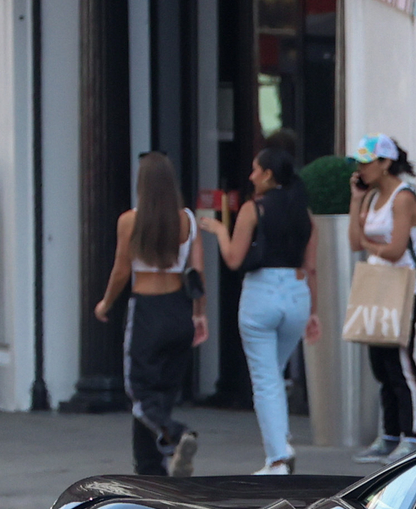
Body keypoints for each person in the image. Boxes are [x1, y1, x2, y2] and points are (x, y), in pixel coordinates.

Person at [96, 152, 208, 477]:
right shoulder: (186, 219)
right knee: (163, 394)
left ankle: (176, 432)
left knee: (140, 393)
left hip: (146, 311)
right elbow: (197, 273)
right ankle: (150, 467)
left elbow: (121, 271)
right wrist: (200, 316)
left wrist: (105, 304)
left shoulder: (130, 220)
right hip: (179, 311)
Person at [212, 146, 321, 475]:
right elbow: (311, 267)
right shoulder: (305, 213)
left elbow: (233, 258)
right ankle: (281, 439)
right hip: (296, 293)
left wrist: (219, 230)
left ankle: (277, 457)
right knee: (272, 373)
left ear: (268, 174)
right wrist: (313, 311)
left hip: (261, 292)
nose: (251, 176)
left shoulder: (252, 209)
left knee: (265, 378)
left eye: (255, 170)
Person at [347, 133, 416, 462]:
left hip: (403, 289)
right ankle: (390, 434)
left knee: (401, 365)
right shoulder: (371, 197)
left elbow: (395, 250)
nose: (362, 169)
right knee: (381, 366)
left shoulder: (403, 198)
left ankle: (412, 434)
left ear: (385, 163)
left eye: (367, 163)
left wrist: (370, 246)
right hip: (379, 287)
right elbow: (354, 240)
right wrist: (355, 200)